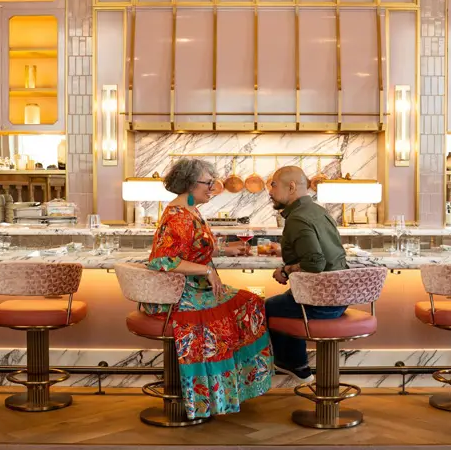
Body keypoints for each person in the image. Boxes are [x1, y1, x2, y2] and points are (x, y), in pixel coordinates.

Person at [144, 158, 274, 419]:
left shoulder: (191, 210)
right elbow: (162, 261)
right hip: (181, 295)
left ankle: (230, 391)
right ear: (190, 184)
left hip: (197, 289)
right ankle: (208, 398)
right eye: (207, 183)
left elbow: (192, 248)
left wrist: (225, 249)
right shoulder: (177, 216)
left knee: (251, 302)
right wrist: (206, 270)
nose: (212, 189)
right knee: (235, 314)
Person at [265, 165, 349, 384]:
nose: (270, 191)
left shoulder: (297, 218)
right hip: (340, 299)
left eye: (273, 185)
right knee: (287, 301)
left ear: (291, 187)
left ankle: (293, 364)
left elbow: (315, 262)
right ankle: (296, 363)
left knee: (263, 308)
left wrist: (285, 269)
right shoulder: (318, 211)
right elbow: (323, 253)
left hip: (320, 304)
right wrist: (285, 251)